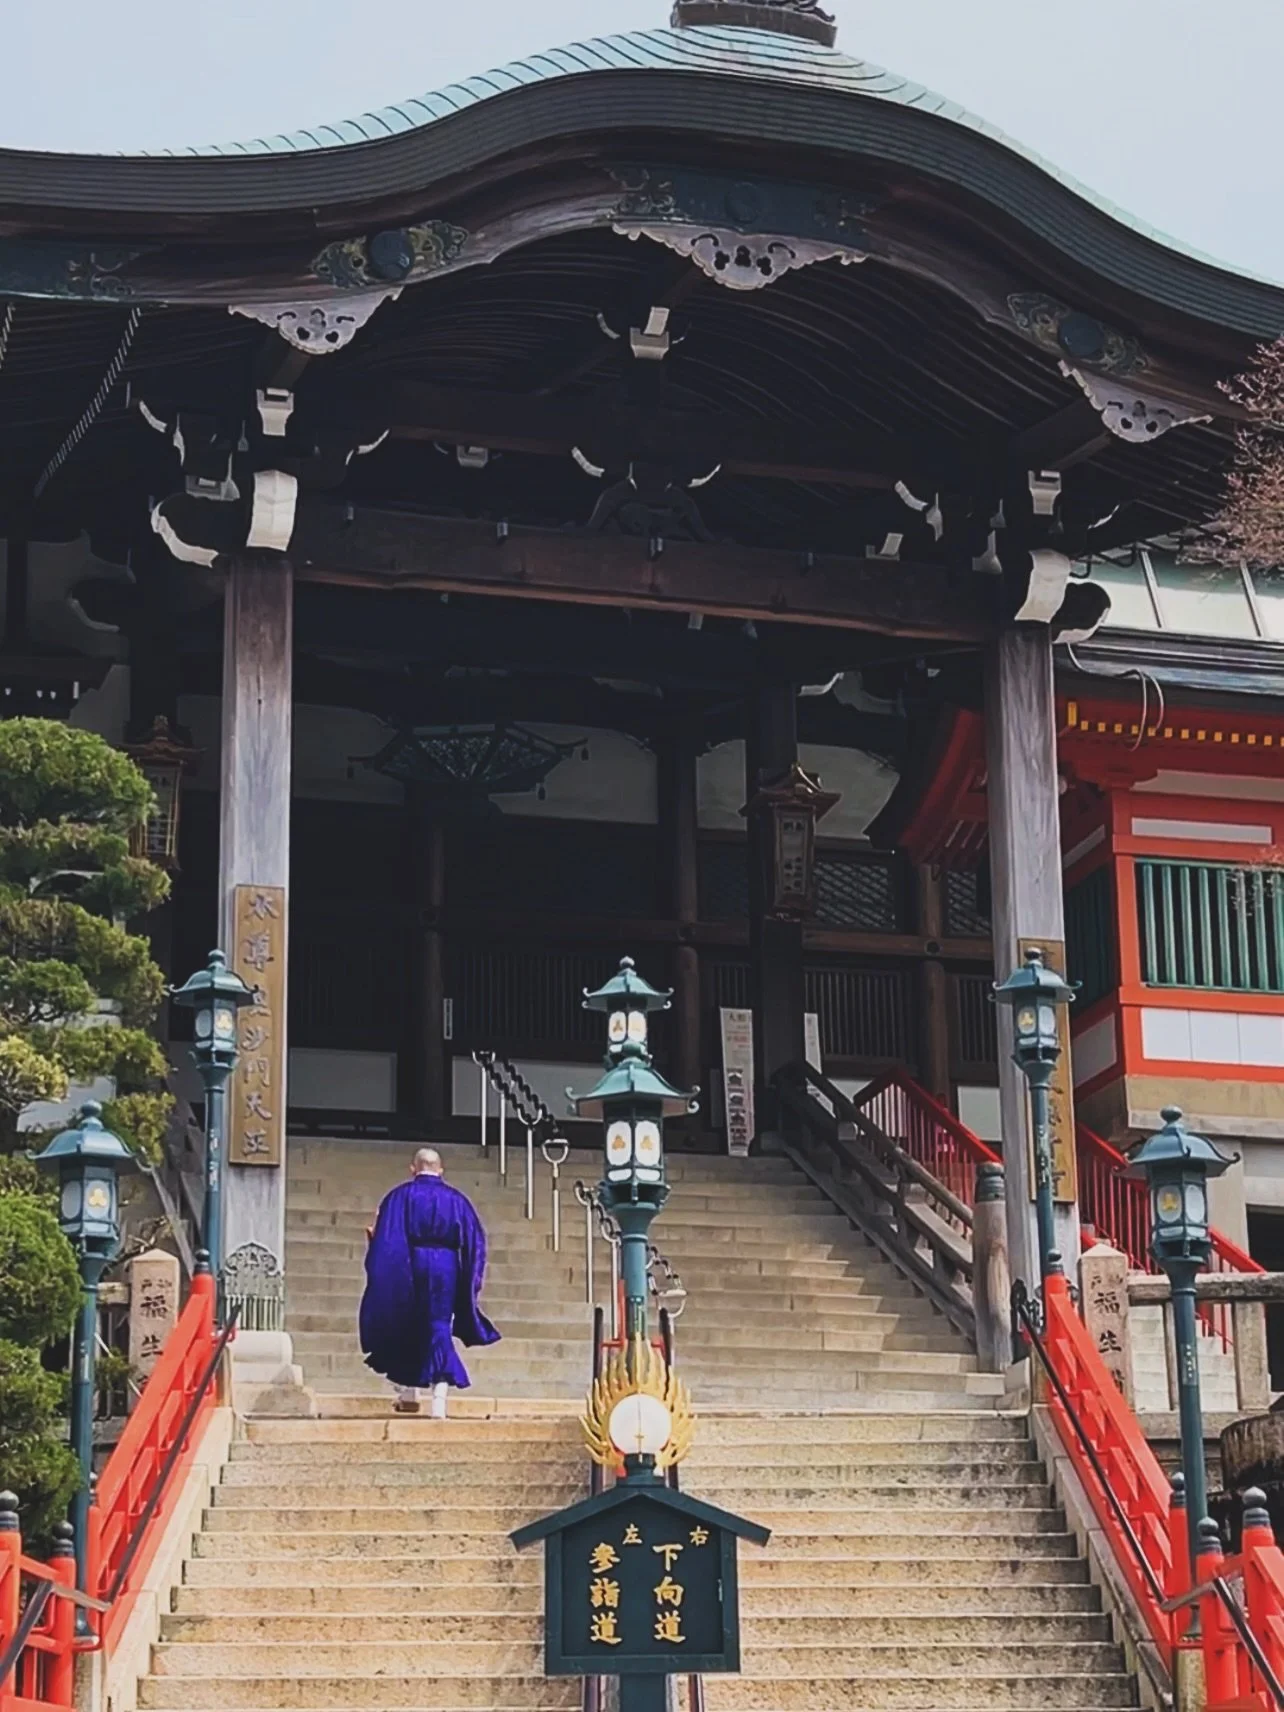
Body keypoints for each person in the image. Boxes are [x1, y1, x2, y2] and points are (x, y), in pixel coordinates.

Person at [358, 1147, 500, 1417]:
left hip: (410, 1262)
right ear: (441, 1169)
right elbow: (475, 1243)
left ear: (413, 1168)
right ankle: (436, 1396)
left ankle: (418, 1392)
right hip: (446, 1267)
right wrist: (470, 1278)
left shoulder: (400, 1196)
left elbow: (386, 1239)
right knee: (438, 1323)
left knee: (408, 1321)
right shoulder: (457, 1200)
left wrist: (378, 1259)